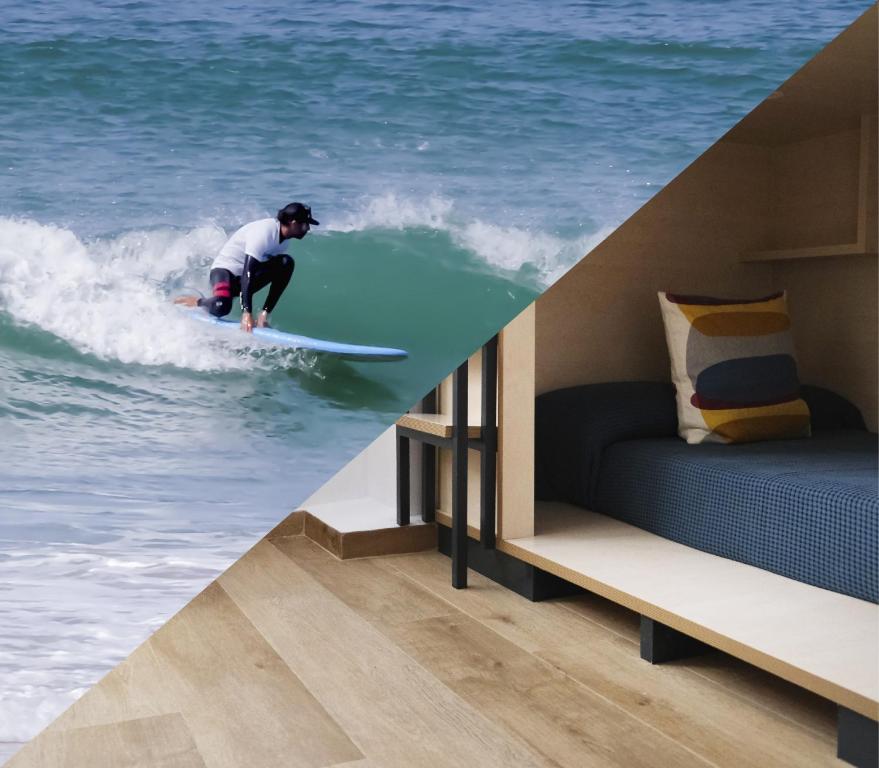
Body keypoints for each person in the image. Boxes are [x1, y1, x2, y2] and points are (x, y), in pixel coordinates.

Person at [175, 202, 319, 332]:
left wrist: (264, 313)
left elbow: (264, 274)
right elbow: (248, 273)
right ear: (292, 223)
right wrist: (247, 313)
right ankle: (197, 302)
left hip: (242, 281)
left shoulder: (284, 242)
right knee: (221, 306)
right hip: (224, 272)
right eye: (305, 225)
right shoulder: (265, 232)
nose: (307, 229)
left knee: (286, 263)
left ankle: (263, 316)